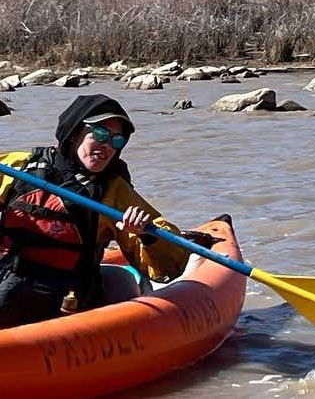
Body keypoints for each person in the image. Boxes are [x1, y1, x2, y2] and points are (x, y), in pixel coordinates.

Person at [0, 94, 192, 327]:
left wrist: (146, 234)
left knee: (118, 281)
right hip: (7, 279)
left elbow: (167, 265)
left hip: (68, 302)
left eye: (117, 140)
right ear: (73, 134)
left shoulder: (113, 192)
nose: (108, 146)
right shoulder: (18, 166)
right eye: (100, 134)